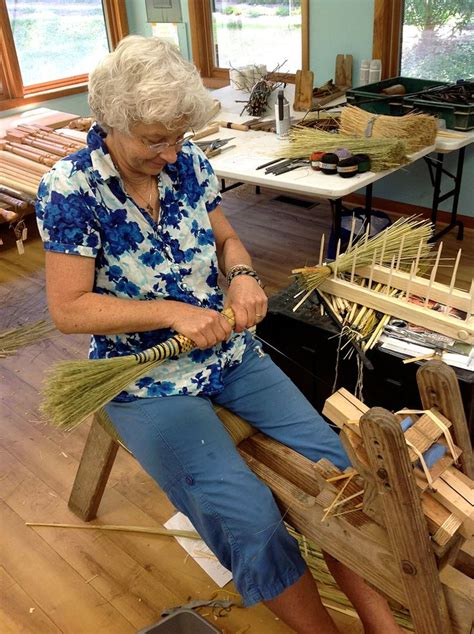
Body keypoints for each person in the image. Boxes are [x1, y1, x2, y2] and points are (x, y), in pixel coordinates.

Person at [36, 36, 402, 634]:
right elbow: (69, 309)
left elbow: (228, 239)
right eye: (156, 140)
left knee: (337, 473)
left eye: (179, 138)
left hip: (228, 350)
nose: (172, 153)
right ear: (110, 123)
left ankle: (380, 623)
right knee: (249, 520)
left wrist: (242, 275)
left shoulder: (187, 164)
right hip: (148, 377)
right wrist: (173, 313)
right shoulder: (70, 190)